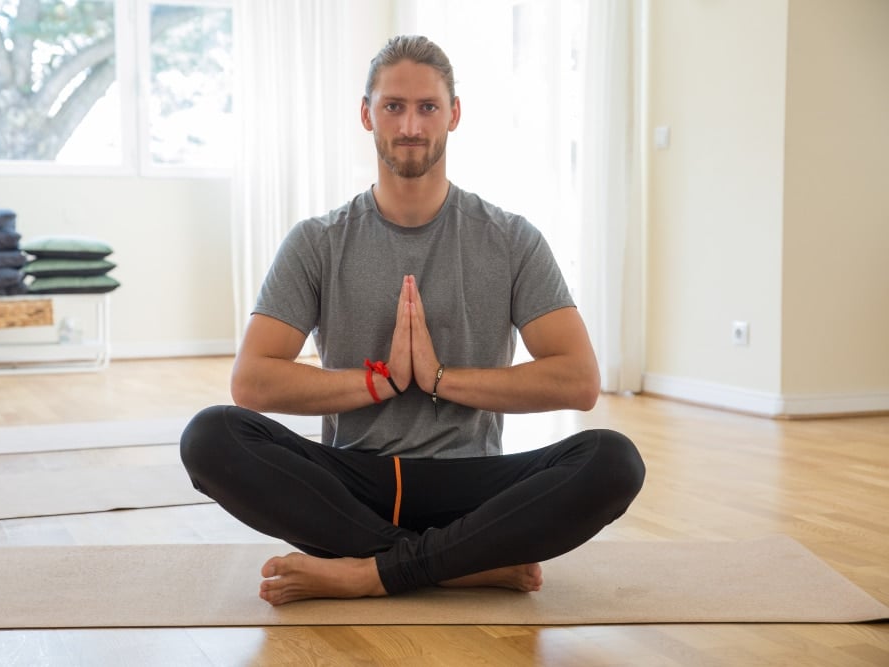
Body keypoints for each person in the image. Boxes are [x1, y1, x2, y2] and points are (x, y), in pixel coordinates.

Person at [180, 34, 645, 606]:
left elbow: (579, 381)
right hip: (353, 484)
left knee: (613, 460)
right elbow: (251, 382)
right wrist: (376, 383)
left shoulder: (512, 240)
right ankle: (460, 563)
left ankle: (368, 572)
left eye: (427, 107)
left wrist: (442, 379)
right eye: (393, 107)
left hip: (471, 484)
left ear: (454, 114)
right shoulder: (317, 242)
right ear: (365, 114)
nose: (410, 127)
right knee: (209, 436)